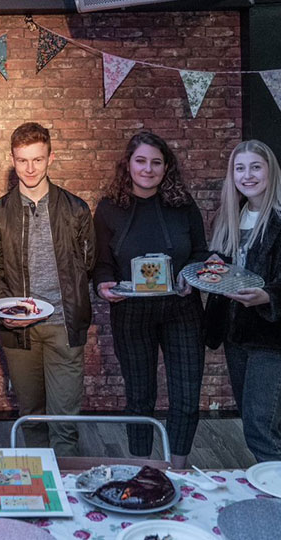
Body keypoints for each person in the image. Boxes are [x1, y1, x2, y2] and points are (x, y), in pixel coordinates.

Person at [93, 131, 208, 469]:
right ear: (127, 165)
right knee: (140, 396)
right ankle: (141, 470)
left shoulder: (183, 205)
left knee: (186, 396)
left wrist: (189, 276)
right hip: (131, 312)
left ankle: (179, 468)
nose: (148, 168)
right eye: (140, 161)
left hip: (182, 310)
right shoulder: (109, 209)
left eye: (156, 162)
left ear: (166, 167)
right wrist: (102, 285)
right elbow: (100, 263)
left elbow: (200, 253)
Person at [204, 140, 281, 463]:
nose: (248, 175)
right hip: (238, 334)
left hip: (276, 334)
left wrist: (268, 296)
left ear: (271, 171)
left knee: (261, 427)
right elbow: (222, 269)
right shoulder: (232, 216)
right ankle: (277, 487)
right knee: (254, 422)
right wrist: (203, 276)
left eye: (255, 167)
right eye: (239, 168)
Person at [0, 122, 95, 457]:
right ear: (13, 160)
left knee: (64, 420)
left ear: (50, 157)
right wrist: (6, 311)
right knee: (31, 416)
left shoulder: (76, 209)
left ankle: (67, 499)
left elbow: (88, 264)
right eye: (22, 160)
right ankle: (39, 492)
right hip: (19, 330)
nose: (30, 168)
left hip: (63, 326)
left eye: (37, 159)